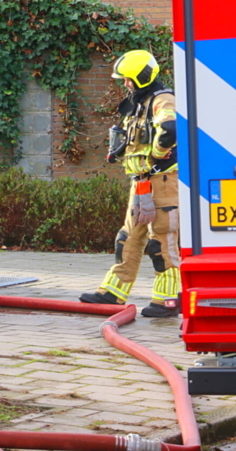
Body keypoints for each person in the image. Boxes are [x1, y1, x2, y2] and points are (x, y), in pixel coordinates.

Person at [79, 50, 181, 318]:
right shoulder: (140, 102)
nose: (125, 84)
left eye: (128, 79)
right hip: (141, 183)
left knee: (161, 242)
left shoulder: (162, 99)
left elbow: (170, 130)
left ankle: (169, 300)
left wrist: (157, 155)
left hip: (162, 180)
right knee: (128, 239)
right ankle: (113, 292)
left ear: (143, 76)